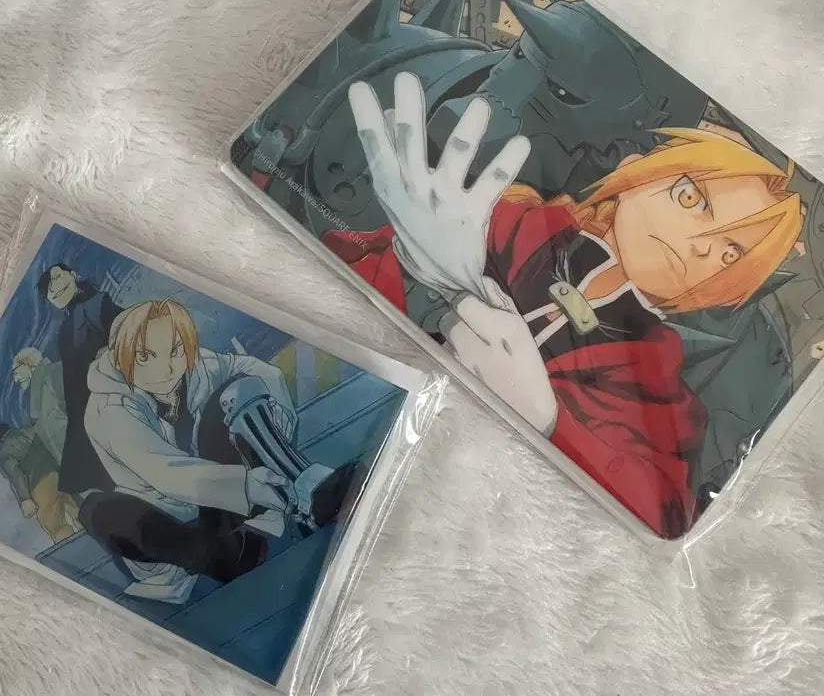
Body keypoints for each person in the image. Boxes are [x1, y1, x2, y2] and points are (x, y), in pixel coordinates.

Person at [323, 72, 802, 538]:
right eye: (691, 197)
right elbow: (338, 279)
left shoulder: (660, 388)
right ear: (633, 171)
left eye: (730, 253)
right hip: (354, 405)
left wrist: (549, 422)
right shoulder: (508, 221)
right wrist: (419, 274)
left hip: (453, 509)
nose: (697, 245)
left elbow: (663, 514)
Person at [80, 299, 296, 603]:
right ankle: (217, 556)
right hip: (167, 513)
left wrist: (280, 413)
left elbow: (257, 371)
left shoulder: (197, 368)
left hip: (220, 504)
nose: (166, 368)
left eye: (175, 350)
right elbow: (164, 473)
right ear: (121, 356)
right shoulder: (110, 408)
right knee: (97, 511)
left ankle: (256, 521)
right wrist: (246, 486)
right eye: (145, 356)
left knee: (235, 390)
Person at [37, 263, 122, 494]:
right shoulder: (65, 329)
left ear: (73, 275)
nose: (54, 288)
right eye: (48, 289)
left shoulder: (98, 303)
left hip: (110, 391)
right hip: (84, 405)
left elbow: (124, 327)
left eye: (57, 276)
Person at [0, 422, 79, 542]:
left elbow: (16, 475)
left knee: (55, 525)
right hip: (58, 475)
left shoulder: (3, 452)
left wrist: (25, 499)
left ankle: (75, 550)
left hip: (40, 484)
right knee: (75, 511)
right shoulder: (31, 431)